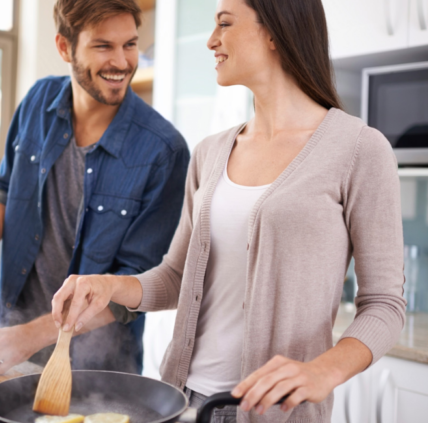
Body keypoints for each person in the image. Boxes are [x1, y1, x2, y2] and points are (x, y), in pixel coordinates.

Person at [51, 0, 406, 421]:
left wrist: (322, 371)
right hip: (180, 403)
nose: (211, 40)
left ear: (274, 32)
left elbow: (385, 304)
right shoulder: (211, 152)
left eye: (224, 24)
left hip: (275, 412)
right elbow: (175, 278)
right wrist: (110, 286)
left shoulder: (359, 149)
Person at [0, 0, 189, 376]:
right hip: (13, 348)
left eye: (129, 44)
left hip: (99, 371)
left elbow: (137, 286)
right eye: (103, 46)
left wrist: (34, 334)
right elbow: (0, 187)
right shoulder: (37, 101)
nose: (123, 62)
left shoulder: (164, 150)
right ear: (65, 47)